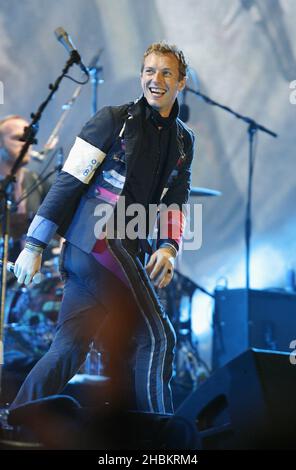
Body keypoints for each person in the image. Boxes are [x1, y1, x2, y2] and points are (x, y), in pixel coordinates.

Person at [11, 42, 196, 415]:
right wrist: (34, 244)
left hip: (124, 247)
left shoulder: (183, 140)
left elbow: (176, 198)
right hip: (97, 242)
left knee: (69, 348)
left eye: (165, 73)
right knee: (158, 338)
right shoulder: (112, 120)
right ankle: (160, 437)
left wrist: (168, 247)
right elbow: (68, 181)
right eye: (149, 71)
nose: (155, 80)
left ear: (181, 83)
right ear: (141, 75)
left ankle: (13, 419)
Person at [0, 115, 49, 260]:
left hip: (32, 276)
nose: (26, 143)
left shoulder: (36, 180)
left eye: (29, 137)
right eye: (18, 138)